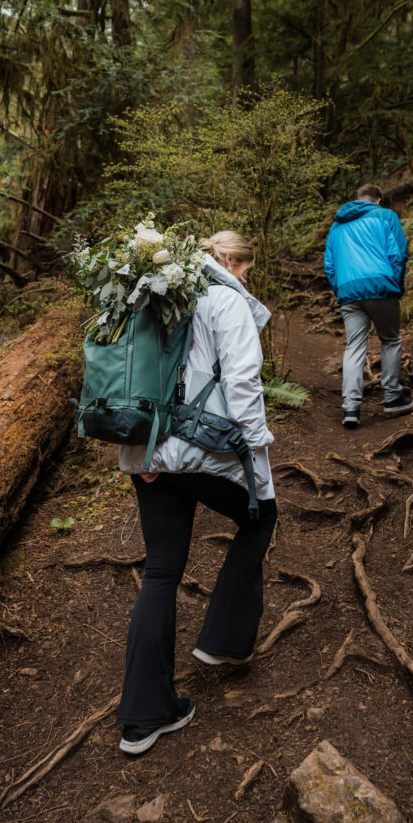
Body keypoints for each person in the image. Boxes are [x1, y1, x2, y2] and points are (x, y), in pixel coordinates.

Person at [116, 231, 277, 755]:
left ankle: (144, 718)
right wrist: (256, 448)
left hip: (148, 451)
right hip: (204, 449)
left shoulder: (148, 295)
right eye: (245, 268)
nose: (246, 278)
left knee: (161, 571)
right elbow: (243, 383)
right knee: (261, 518)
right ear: (229, 261)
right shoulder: (225, 299)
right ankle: (223, 642)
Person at [324, 183, 413, 428]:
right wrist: (395, 285)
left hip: (348, 291)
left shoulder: (337, 225)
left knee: (354, 346)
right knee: (390, 339)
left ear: (358, 199)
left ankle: (351, 408)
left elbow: (329, 266)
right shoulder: (385, 216)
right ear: (378, 200)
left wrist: (341, 289)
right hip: (381, 286)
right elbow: (398, 254)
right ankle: (393, 397)